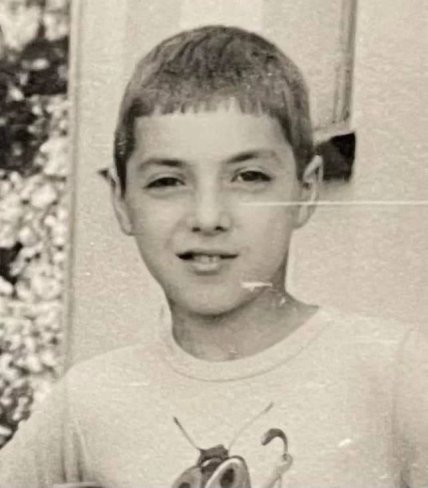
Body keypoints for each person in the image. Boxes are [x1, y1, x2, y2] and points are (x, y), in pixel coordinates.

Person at [0, 25, 426, 488]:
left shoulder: (396, 373)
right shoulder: (91, 401)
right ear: (121, 201)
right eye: (167, 181)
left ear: (305, 190)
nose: (207, 217)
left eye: (248, 177)